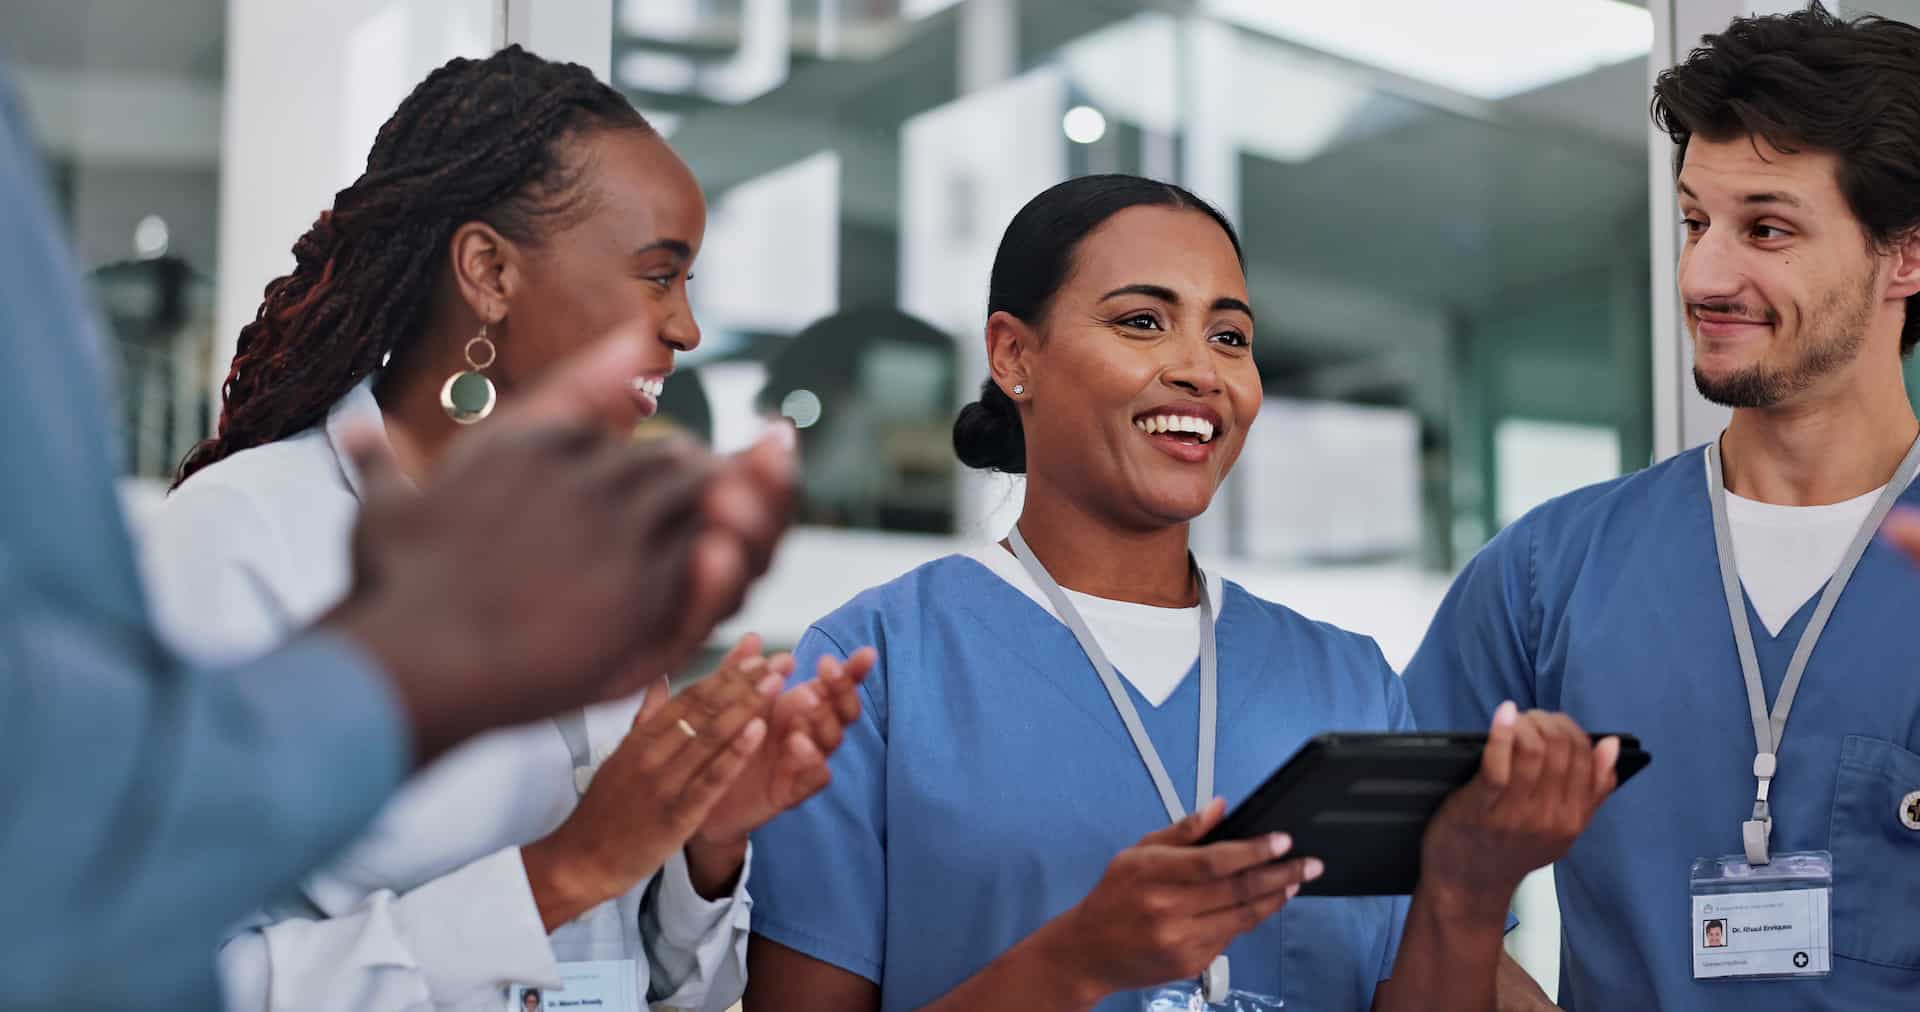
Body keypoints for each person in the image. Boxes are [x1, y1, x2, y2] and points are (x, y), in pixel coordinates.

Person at [0, 65, 793, 1012]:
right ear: (490, 272)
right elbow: (128, 970)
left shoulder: (595, 561)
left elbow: (661, 989)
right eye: (658, 275)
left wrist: (703, 846)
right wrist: (559, 877)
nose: (689, 328)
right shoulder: (239, 534)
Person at [742, 174, 1621, 1012]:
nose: (1201, 370)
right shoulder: (875, 670)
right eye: (1142, 322)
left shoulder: (1348, 685)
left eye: (1230, 336)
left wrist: (1469, 893)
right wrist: (1076, 960)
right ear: (1015, 355)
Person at [1402, 6, 1920, 1009]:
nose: (1704, 274)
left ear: (1904, 256)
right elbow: (1401, 896)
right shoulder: (1550, 572)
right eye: (1695, 222)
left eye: (1766, 228)